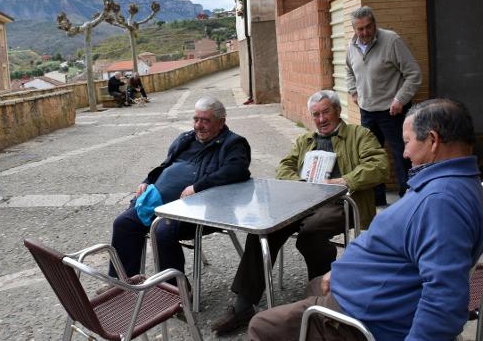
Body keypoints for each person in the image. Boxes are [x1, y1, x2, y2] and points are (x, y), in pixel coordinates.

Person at [248, 98, 483, 341]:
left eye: (407, 142)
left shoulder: (440, 203)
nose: (404, 153)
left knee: (261, 325)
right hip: (367, 291)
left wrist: (341, 182)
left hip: (362, 317)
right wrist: (341, 272)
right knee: (314, 283)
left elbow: (444, 301)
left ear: (432, 141)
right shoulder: (457, 183)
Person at [212, 90, 389, 335]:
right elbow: (284, 166)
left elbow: (380, 166)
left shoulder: (360, 134)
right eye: (315, 114)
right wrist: (300, 182)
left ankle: (322, 299)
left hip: (344, 202)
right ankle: (244, 304)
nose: (321, 119)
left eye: (326, 112)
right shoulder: (306, 140)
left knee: (310, 234)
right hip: (304, 202)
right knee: (264, 229)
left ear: (337, 111)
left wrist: (344, 180)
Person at [109, 96, 251, 279]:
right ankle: (123, 282)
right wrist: (147, 181)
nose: (198, 125)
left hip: (199, 210)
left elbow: (237, 171)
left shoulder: (233, 143)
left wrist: (198, 187)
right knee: (123, 224)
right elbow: (165, 165)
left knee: (161, 231)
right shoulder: (186, 139)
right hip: (159, 203)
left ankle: (176, 292)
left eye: (205, 120)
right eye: (196, 119)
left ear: (221, 122)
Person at [346, 6, 422, 204]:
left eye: (368, 27)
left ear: (374, 24)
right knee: (371, 157)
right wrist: (353, 91)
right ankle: (376, 199)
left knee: (402, 155)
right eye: (360, 29)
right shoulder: (351, 45)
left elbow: (414, 73)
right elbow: (349, 71)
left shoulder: (391, 40)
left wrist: (400, 100)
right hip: (367, 111)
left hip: (393, 110)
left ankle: (408, 199)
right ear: (354, 29)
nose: (365, 32)